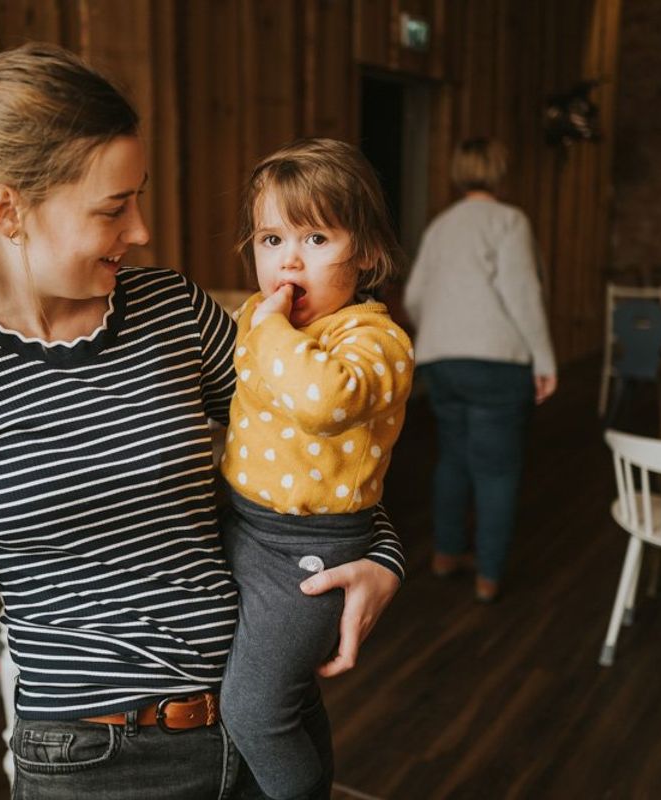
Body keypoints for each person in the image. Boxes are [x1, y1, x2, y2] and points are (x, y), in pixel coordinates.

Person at [0, 43, 404, 800]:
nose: (141, 230)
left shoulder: (170, 310)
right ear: (8, 209)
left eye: (137, 197)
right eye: (115, 207)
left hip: (263, 731)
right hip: (95, 772)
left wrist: (382, 556)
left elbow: (323, 445)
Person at [217, 139, 413, 800]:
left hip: (309, 552)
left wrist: (269, 328)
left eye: (317, 237)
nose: (288, 260)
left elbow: (322, 400)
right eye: (271, 239)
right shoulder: (256, 317)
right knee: (289, 698)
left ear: (368, 253)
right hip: (244, 523)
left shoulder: (374, 338)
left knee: (253, 712)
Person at [402, 137, 557, 603]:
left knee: (453, 457)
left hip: (441, 361)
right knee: (496, 470)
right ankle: (488, 574)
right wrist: (545, 359)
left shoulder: (440, 226)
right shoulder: (509, 220)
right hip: (496, 361)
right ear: (500, 170)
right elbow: (522, 294)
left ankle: (446, 554)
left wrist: (443, 333)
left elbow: (412, 297)